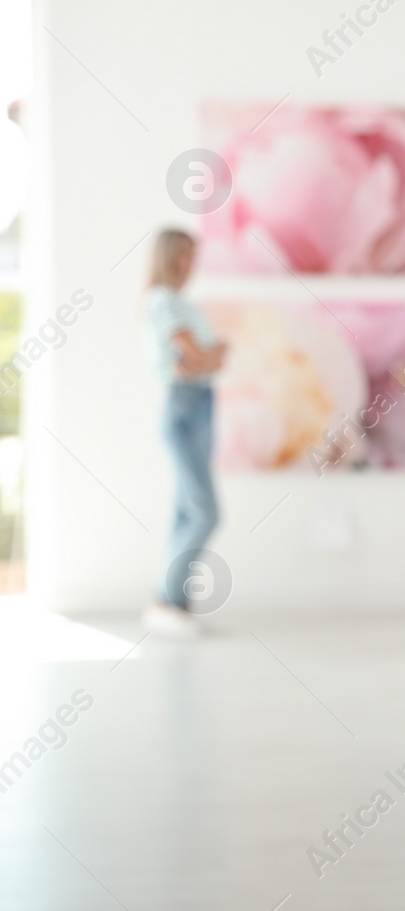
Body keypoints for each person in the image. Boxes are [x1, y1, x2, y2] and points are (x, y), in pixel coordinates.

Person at [142, 229, 227, 638]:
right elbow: (196, 356)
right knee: (205, 512)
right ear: (170, 257)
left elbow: (213, 358)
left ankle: (174, 603)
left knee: (184, 512)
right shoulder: (162, 300)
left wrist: (206, 357)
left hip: (201, 403)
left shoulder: (183, 305)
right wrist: (206, 356)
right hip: (184, 406)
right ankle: (165, 600)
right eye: (186, 255)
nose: (192, 263)